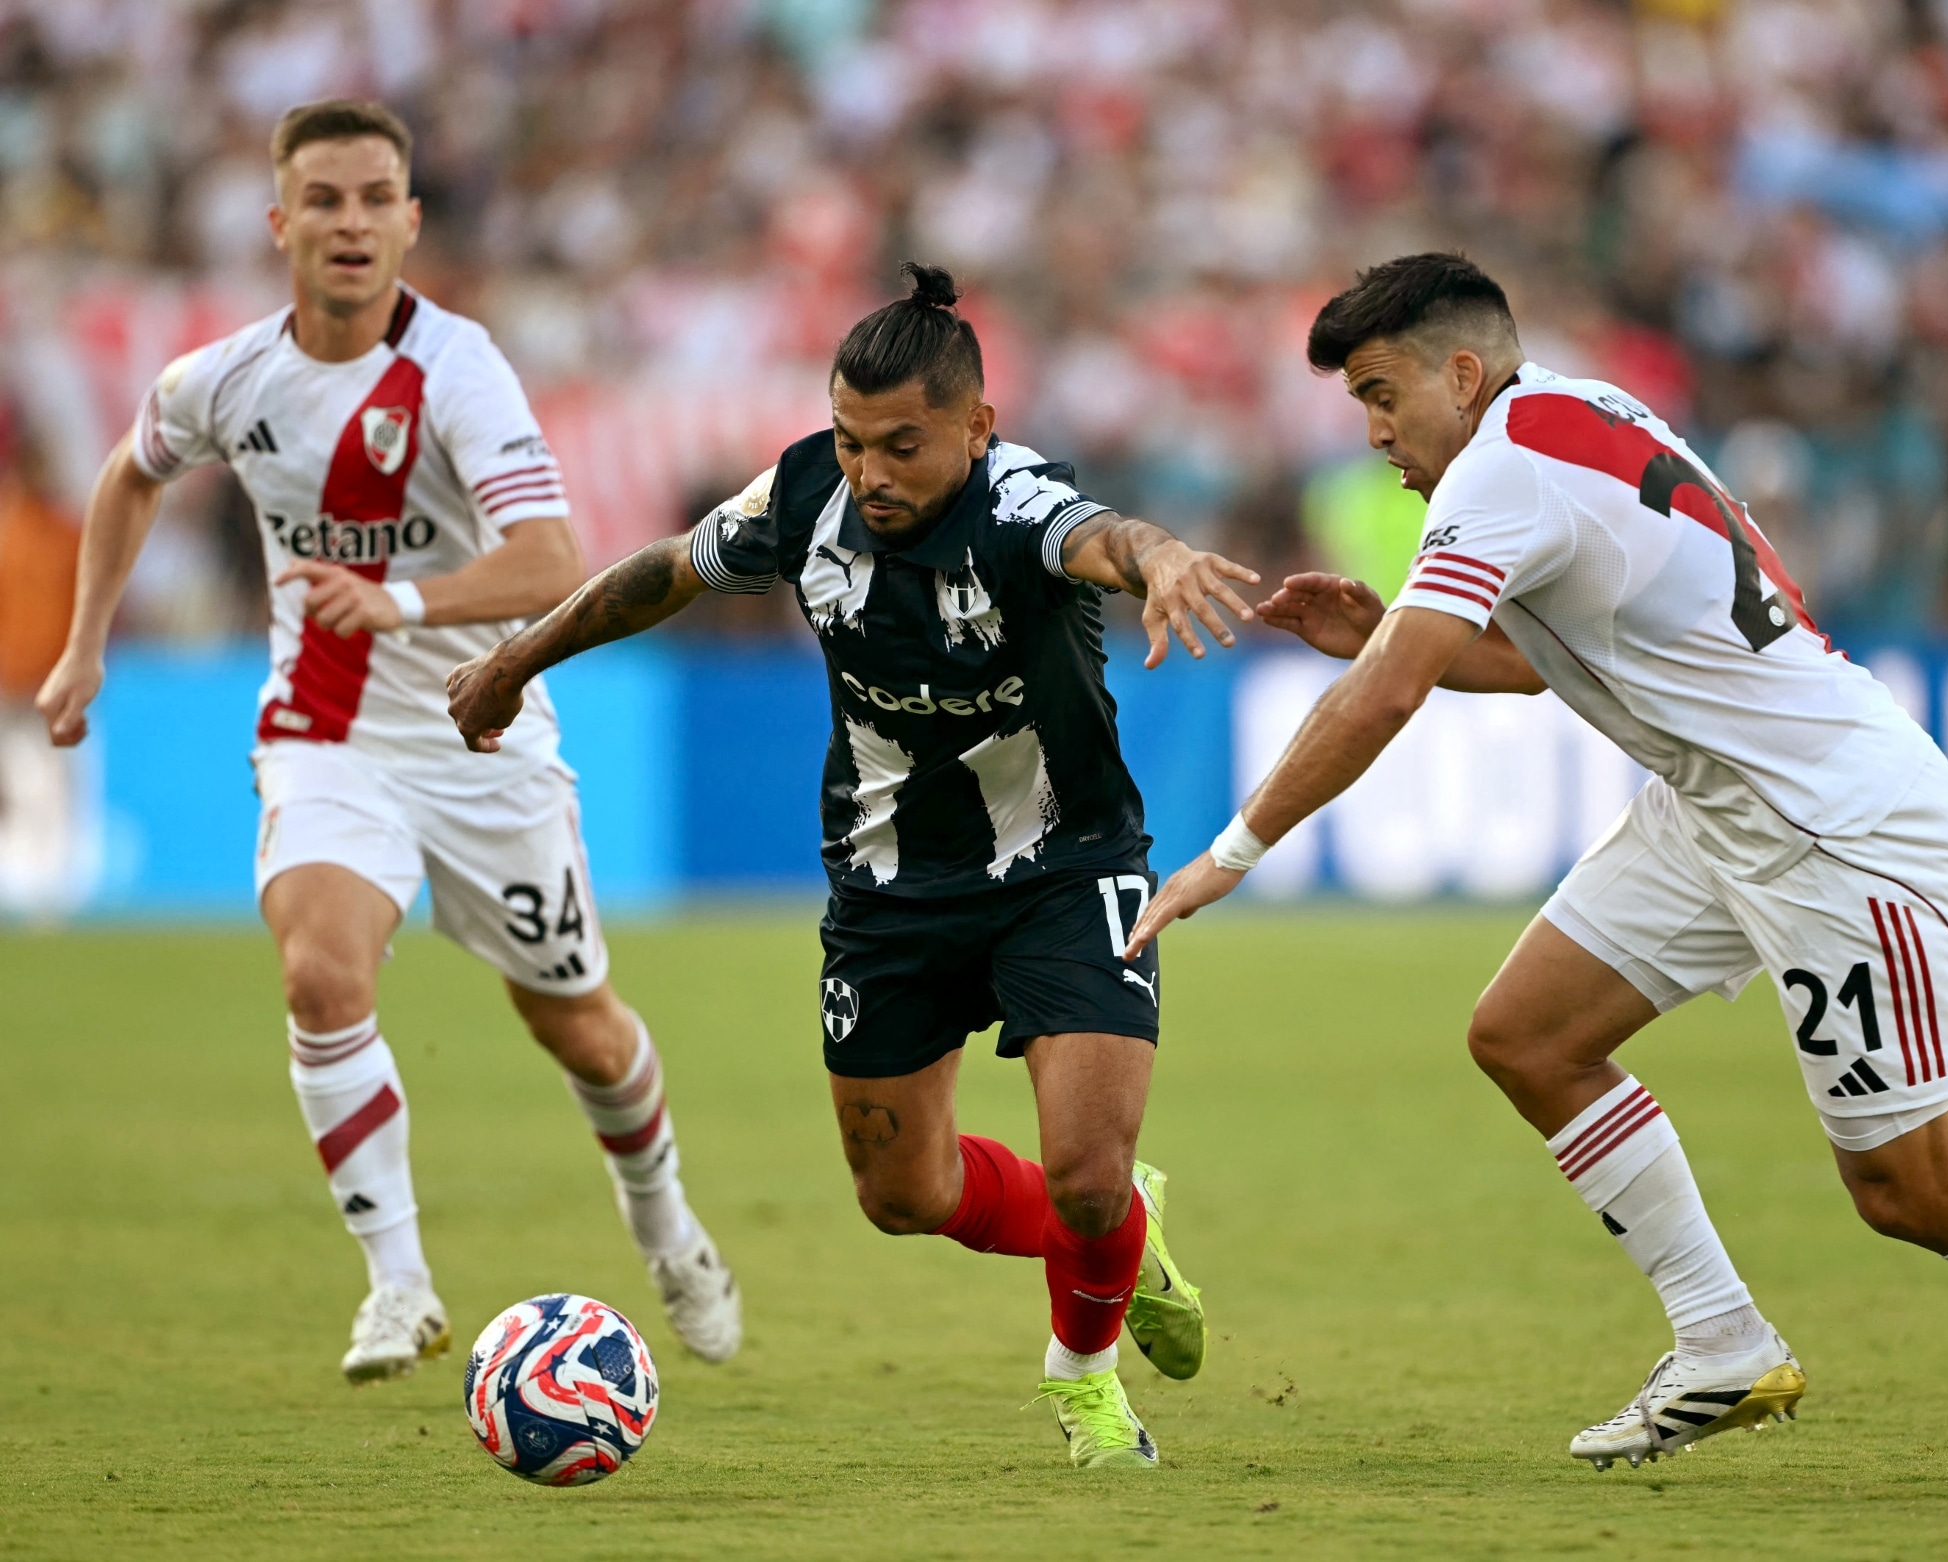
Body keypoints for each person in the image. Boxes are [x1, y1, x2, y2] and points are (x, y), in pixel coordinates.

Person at [1125, 253, 1948, 1483]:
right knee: (1528, 1035)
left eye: (1381, 394)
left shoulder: (1502, 467)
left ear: (1461, 375)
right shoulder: (1579, 410)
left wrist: (1232, 850)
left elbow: (1389, 699)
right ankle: (1723, 1339)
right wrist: (1383, 635)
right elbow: (1535, 661)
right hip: (1721, 802)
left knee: (1914, 1189)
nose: (1373, 432)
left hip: (1831, 820)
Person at [446, 262, 1251, 1471]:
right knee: (901, 1194)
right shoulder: (805, 494)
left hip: (1065, 867)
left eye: (903, 446)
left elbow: (1106, 540)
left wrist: (1165, 557)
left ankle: (1083, 1377)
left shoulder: (1021, 505)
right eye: (851, 439)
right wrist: (517, 659)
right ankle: (1127, 1235)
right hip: (888, 891)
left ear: (976, 428)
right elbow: (666, 570)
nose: (871, 470)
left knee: (1086, 1175)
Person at [34, 99, 740, 1384]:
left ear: (410, 222)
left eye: (374, 199)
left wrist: (402, 600)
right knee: (320, 974)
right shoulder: (224, 379)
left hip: (483, 731)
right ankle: (398, 1282)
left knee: (580, 1027)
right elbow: (132, 472)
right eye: (324, 199)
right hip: (327, 728)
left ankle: (669, 1227)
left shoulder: (459, 369)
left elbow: (553, 559)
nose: (350, 222)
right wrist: (86, 643)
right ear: (280, 222)